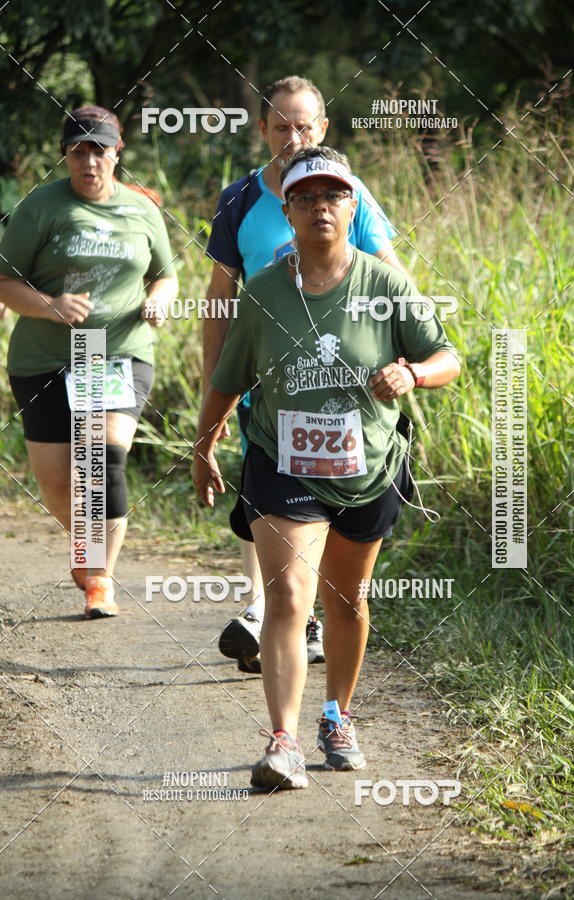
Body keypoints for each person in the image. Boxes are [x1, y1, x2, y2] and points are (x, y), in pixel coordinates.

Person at [193, 147, 460, 789]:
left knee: (348, 600)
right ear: (287, 210)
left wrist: (414, 372)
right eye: (306, 196)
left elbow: (449, 358)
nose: (320, 206)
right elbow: (228, 380)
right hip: (281, 464)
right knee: (288, 594)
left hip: (366, 467)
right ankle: (281, 742)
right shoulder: (261, 293)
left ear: (353, 207)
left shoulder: (386, 284)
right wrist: (204, 447)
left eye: (333, 195)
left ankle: (337, 714)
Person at [205, 74, 409, 674]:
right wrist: (214, 388)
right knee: (267, 497)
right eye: (282, 126)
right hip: (268, 388)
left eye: (305, 125)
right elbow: (220, 298)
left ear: (323, 128)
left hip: (347, 389)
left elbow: (392, 277)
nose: (294, 136)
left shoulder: (346, 192)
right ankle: (275, 612)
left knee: (327, 500)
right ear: (262, 130)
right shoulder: (238, 199)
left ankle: (294, 618)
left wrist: (401, 364)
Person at [0, 106, 178, 618]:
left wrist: (162, 299)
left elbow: (165, 274)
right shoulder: (41, 207)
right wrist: (51, 306)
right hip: (43, 356)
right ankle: (87, 542)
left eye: (99, 150)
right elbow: (5, 282)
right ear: (67, 156)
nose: (90, 161)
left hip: (111, 351)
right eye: (79, 151)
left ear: (117, 153)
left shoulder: (141, 209)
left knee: (103, 462)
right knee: (56, 480)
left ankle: (99, 575)